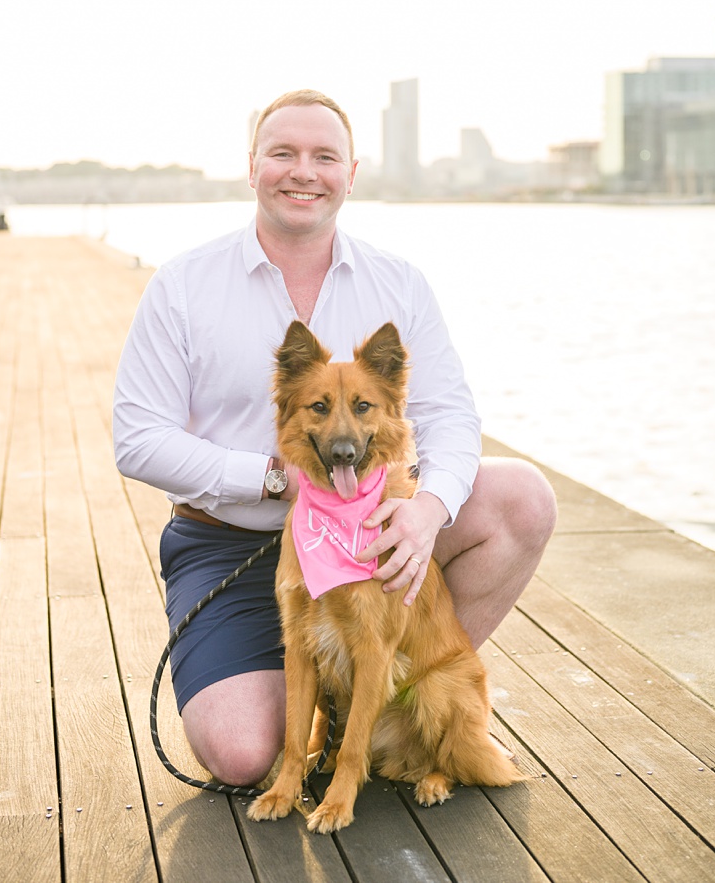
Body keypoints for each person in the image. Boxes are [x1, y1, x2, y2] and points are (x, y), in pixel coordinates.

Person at [112, 90, 558, 787]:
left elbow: (450, 417)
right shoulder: (183, 286)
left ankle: (403, 708)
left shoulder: (399, 284)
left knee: (523, 499)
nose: (303, 172)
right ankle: (338, 708)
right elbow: (137, 438)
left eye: (325, 157)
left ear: (352, 173)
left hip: (371, 532)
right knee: (240, 756)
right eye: (283, 153)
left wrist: (425, 510)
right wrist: (271, 478)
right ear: (252, 166)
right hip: (233, 541)